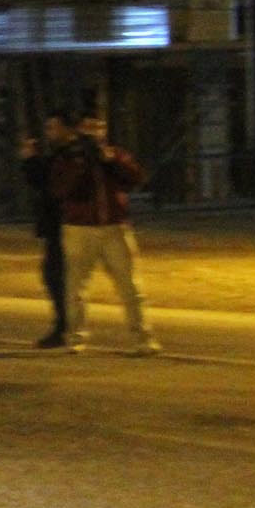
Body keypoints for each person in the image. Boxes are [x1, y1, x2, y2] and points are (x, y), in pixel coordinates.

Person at [47, 113, 159, 355]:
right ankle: (75, 337)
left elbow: (136, 178)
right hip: (79, 229)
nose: (95, 132)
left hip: (114, 227)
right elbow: (60, 190)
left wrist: (111, 162)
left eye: (99, 127)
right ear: (79, 130)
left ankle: (142, 338)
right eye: (89, 127)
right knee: (76, 287)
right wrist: (80, 164)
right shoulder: (68, 156)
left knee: (130, 286)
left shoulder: (113, 153)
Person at [20, 112, 74, 347]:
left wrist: (31, 159)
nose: (49, 133)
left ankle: (66, 327)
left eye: (53, 128)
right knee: (57, 275)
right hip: (60, 224)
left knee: (58, 275)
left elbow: (48, 182)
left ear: (67, 129)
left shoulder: (69, 155)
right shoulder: (61, 154)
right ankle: (66, 325)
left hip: (67, 223)